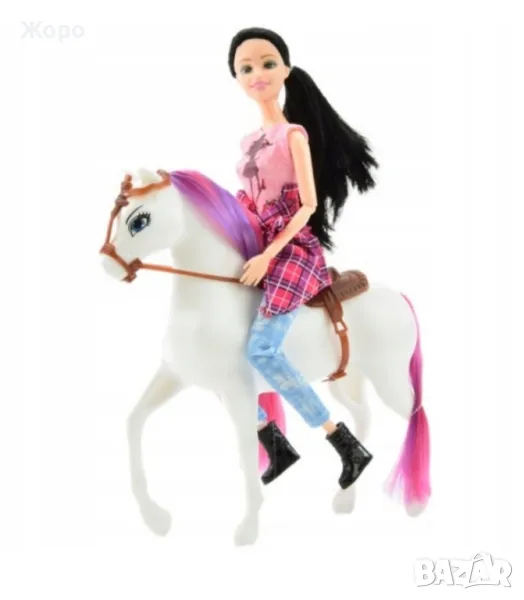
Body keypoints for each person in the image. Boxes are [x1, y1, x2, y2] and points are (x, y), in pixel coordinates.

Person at [228, 27, 378, 488]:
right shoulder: (247, 140)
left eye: (267, 63)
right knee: (221, 345)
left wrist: (270, 254)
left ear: (286, 70)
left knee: (261, 349)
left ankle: (342, 441)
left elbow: (308, 205)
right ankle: (274, 442)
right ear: (236, 78)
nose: (257, 74)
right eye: (246, 68)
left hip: (292, 251)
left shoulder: (293, 135)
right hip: (256, 244)